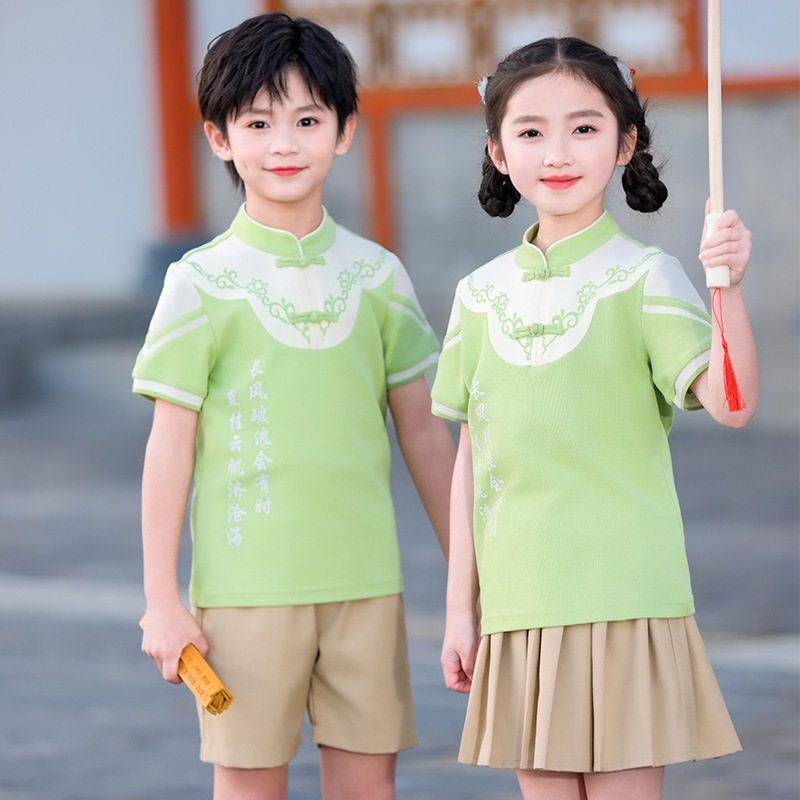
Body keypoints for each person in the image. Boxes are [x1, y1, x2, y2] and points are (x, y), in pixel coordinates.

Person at [133, 13, 454, 800]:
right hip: (245, 596)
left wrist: (470, 582)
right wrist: (162, 601)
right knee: (248, 788)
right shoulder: (199, 282)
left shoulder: (380, 275)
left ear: (343, 132)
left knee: (367, 787)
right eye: (258, 122)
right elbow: (170, 445)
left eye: (308, 120)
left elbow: (424, 432)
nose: (284, 144)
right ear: (219, 138)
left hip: (367, 585)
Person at [432, 37, 758, 800]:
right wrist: (460, 612)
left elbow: (733, 406)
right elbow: (470, 460)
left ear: (625, 142)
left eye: (584, 127)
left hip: (623, 598)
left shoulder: (648, 277)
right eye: (531, 130)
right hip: (517, 607)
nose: (558, 152)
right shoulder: (476, 296)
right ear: (498, 150)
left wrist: (730, 288)